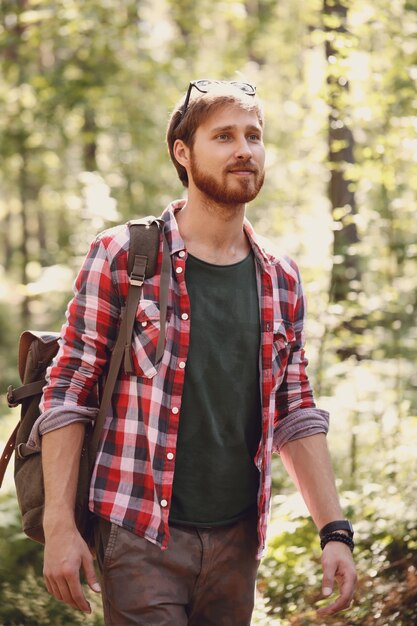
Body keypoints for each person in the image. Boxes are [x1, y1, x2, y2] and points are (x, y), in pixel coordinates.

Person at [30, 79, 356, 625]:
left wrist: (335, 531)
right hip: (138, 533)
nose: (244, 150)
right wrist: (60, 526)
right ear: (184, 152)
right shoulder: (123, 255)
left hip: (237, 542)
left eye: (254, 136)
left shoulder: (281, 276)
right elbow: (69, 391)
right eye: (224, 136)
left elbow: (296, 410)